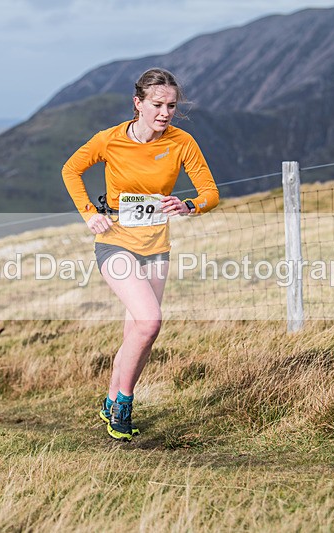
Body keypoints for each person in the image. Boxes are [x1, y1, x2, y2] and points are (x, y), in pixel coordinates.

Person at [62, 67, 219, 441]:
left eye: (171, 106)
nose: (165, 113)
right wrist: (89, 213)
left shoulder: (182, 142)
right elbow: (71, 170)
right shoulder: (110, 139)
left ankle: (110, 401)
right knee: (150, 322)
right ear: (138, 103)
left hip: (156, 247)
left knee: (138, 332)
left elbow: (210, 193)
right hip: (115, 241)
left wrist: (188, 205)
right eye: (157, 105)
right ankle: (124, 403)